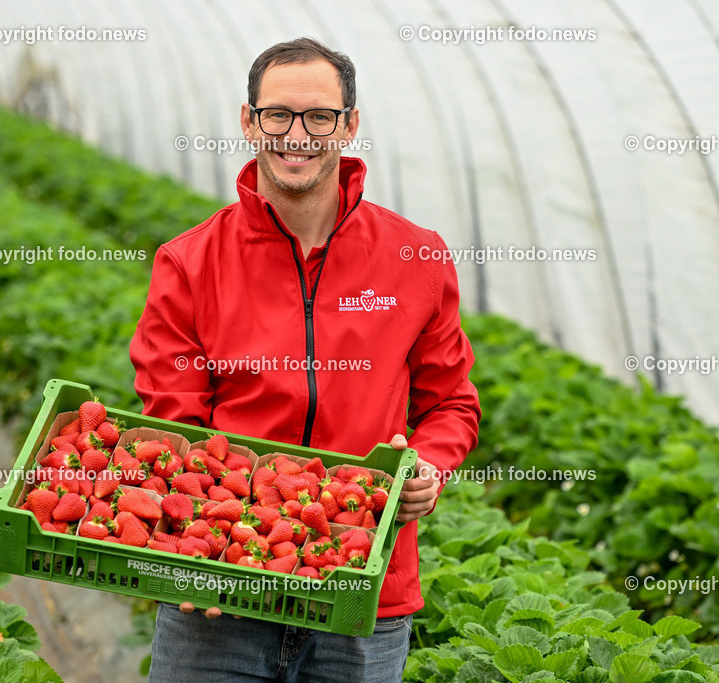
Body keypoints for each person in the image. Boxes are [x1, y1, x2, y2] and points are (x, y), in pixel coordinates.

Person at [129, 36, 480, 682]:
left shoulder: (416, 257)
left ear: (349, 125)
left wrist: (427, 464)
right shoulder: (190, 262)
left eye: (319, 116)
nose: (298, 135)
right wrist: (193, 540)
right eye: (278, 115)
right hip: (223, 588)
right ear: (248, 121)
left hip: (362, 585)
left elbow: (451, 401)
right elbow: (174, 422)